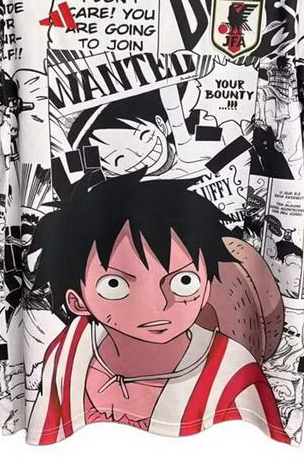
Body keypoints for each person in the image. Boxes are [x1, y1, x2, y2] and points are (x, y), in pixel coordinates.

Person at [26, 170, 290, 444]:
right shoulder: (69, 351)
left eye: (183, 281)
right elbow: (47, 428)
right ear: (77, 301)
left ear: (206, 288)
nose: (160, 304)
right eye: (115, 285)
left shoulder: (233, 374)